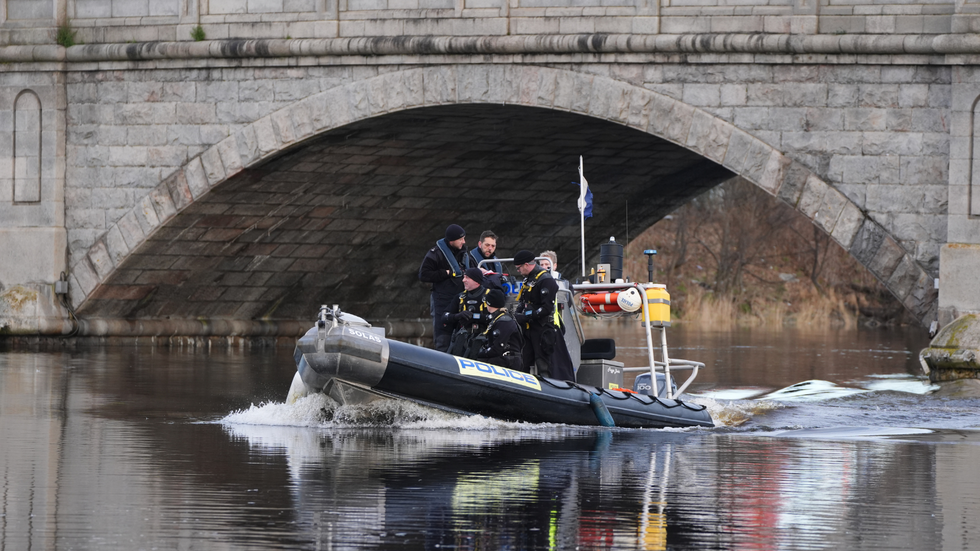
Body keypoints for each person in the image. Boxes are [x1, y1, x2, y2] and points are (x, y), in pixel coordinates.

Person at [512, 250, 576, 381]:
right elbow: (522, 301)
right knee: (522, 361)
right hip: (528, 329)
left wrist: (527, 316)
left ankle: (549, 389)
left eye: (519, 268)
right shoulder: (528, 279)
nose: (518, 271)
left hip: (543, 328)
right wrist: (517, 315)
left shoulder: (546, 280)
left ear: (526, 264)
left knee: (544, 364)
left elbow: (546, 308)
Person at [419, 224, 467, 351]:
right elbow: (423, 274)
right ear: (452, 240)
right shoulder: (435, 254)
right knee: (443, 339)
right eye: (461, 239)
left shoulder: (463, 254)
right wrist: (445, 273)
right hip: (442, 301)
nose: (464, 242)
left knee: (461, 340)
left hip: (460, 301)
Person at [477, 289, 524, 371]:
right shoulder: (499, 318)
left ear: (489, 303)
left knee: (477, 362)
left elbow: (496, 349)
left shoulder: (504, 321)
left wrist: (479, 353)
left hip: (508, 361)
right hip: (504, 359)